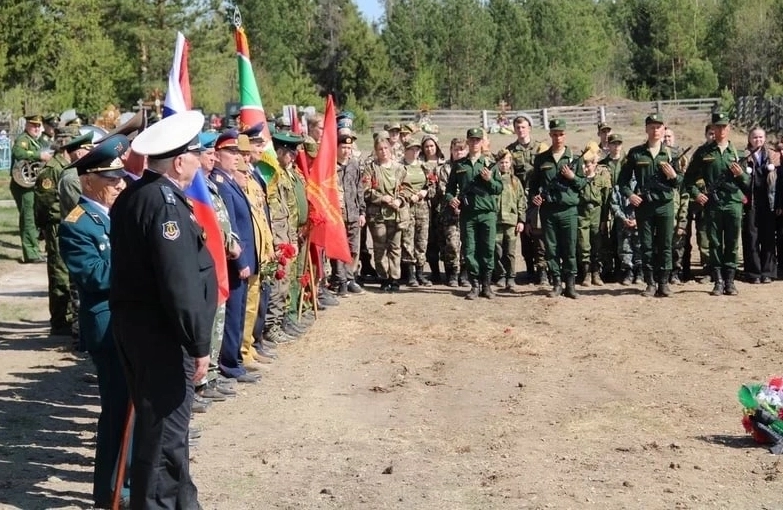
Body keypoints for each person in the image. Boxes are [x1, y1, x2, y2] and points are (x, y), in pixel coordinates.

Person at [110, 111, 217, 509]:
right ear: (178, 161)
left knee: (167, 434)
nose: (199, 158)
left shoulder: (136, 195)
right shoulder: (164, 203)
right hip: (163, 337)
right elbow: (180, 283)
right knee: (165, 437)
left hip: (142, 332)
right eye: (194, 152)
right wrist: (198, 342)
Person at [59, 134, 131, 509]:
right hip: (107, 328)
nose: (120, 184)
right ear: (88, 181)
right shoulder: (76, 224)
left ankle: (130, 482)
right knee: (116, 411)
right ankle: (109, 494)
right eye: (111, 179)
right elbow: (94, 277)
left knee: (135, 409)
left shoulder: (118, 213)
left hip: (134, 325)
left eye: (121, 178)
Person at [209, 130, 259, 382]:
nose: (236, 157)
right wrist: (240, 261)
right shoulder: (221, 185)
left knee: (239, 312)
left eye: (237, 153)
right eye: (230, 153)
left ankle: (235, 359)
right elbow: (231, 229)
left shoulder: (229, 181)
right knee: (232, 314)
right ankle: (230, 363)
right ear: (217, 156)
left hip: (244, 258)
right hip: (234, 262)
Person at [34, 130, 92, 336]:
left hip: (68, 222)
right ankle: (60, 321)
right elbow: (43, 202)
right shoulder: (53, 169)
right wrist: (43, 227)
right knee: (59, 272)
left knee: (68, 272)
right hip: (57, 224)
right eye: (85, 148)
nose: (88, 152)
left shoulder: (69, 168)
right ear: (73, 149)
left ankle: (69, 315)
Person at [685, 112, 750, 296]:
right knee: (714, 242)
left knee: (732, 242)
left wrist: (740, 175)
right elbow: (688, 179)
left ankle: (730, 280)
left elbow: (747, 182)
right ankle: (718, 280)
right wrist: (697, 195)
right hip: (713, 204)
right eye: (717, 126)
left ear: (729, 128)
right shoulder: (703, 152)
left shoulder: (736, 153)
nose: (721, 130)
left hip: (733, 203)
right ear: (712, 129)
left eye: (724, 126)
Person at [618, 114, 681, 298]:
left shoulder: (671, 153)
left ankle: (664, 282)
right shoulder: (636, 153)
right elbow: (622, 181)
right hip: (644, 206)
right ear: (646, 129)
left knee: (665, 245)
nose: (655, 130)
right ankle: (650, 282)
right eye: (652, 127)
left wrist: (673, 177)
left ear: (663, 129)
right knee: (646, 245)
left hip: (665, 205)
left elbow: (681, 181)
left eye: (659, 127)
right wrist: (630, 195)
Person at [529, 119, 586, 299]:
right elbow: (533, 185)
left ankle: (570, 285)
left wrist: (572, 177)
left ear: (565, 135)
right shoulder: (541, 159)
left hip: (568, 210)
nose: (558, 137)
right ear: (550, 135)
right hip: (548, 210)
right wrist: (535, 197)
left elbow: (583, 184)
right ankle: (556, 283)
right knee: (551, 249)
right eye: (554, 134)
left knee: (569, 247)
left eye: (561, 134)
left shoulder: (574, 158)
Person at [445, 128, 503, 299]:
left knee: (487, 248)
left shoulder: (490, 163)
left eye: (478, 140)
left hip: (487, 213)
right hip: (468, 213)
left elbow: (499, 188)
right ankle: (474, 285)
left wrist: (489, 179)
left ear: (482, 142)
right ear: (468, 142)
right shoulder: (459, 165)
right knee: (469, 249)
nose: (475, 143)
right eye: (472, 140)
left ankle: (486, 285)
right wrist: (451, 199)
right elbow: (449, 189)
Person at [363, 134, 410, 291]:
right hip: (378, 215)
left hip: (396, 214)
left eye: (385, 148)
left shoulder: (399, 169)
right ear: (376, 151)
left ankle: (394, 278)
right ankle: (383, 277)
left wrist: (399, 200)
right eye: (380, 149)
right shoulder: (371, 168)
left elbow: (407, 189)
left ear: (390, 150)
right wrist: (382, 198)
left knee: (395, 247)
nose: (383, 152)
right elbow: (366, 190)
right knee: (380, 247)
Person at [11, 114, 51, 263]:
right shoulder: (23, 139)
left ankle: (34, 250)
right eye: (33, 125)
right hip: (22, 185)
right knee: (28, 218)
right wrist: (38, 155)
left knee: (33, 218)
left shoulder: (34, 141)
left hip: (31, 184)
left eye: (38, 125)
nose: (36, 128)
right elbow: (18, 153)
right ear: (27, 125)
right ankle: (31, 254)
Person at [331, 133, 366, 296]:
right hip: (337, 215)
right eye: (343, 147)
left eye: (349, 148)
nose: (346, 151)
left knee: (353, 248)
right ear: (337, 147)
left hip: (353, 213)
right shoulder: (331, 166)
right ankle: (341, 280)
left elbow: (359, 188)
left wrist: (362, 212)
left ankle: (351, 278)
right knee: (339, 249)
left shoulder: (354, 164)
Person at [506, 115, 539, 283]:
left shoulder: (540, 148)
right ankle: (530, 269)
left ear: (530, 128)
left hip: (537, 197)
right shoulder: (510, 150)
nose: (521, 130)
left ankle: (542, 269)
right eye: (518, 128)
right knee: (524, 235)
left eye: (524, 127)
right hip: (520, 197)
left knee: (539, 233)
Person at [743, 127, 777, 284]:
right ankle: (753, 272)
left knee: (768, 236)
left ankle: (767, 272)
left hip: (768, 201)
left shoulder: (772, 155)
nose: (758, 140)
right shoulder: (744, 156)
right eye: (755, 137)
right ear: (749, 139)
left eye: (761, 137)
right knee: (751, 236)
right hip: (751, 201)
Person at [400, 139, 434, 287]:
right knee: (407, 240)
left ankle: (420, 273)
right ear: (405, 150)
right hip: (406, 207)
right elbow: (396, 187)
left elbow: (432, 185)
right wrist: (408, 196)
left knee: (422, 240)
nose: (415, 152)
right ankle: (410, 274)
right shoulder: (400, 167)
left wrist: (424, 192)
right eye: (411, 149)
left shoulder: (424, 167)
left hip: (422, 208)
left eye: (417, 149)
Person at [576, 148, 612, 287]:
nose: (586, 167)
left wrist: (604, 220)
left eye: (589, 164)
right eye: (584, 164)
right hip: (582, 213)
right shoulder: (578, 180)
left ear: (594, 164)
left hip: (597, 213)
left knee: (597, 244)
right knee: (584, 244)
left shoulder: (601, 178)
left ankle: (596, 272)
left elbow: (606, 200)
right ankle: (586, 274)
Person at [493, 149, 526, 291]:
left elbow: (521, 201)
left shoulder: (515, 181)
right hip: (496, 221)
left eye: (506, 162)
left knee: (510, 252)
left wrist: (521, 220)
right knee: (496, 250)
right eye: (501, 162)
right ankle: (501, 275)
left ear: (510, 163)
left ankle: (511, 277)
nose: (504, 165)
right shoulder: (493, 180)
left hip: (511, 221)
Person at [420, 134, 447, 283]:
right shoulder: (419, 164)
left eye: (432, 145)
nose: (429, 149)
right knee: (430, 241)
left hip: (442, 206)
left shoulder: (444, 163)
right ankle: (435, 272)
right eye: (426, 146)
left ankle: (450, 272)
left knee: (444, 239)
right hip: (425, 206)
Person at [599, 133, 624, 281]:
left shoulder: (626, 162)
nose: (616, 147)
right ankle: (608, 268)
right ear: (608, 146)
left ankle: (621, 267)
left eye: (618, 144)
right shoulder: (603, 164)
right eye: (613, 144)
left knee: (621, 235)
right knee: (606, 236)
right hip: (606, 202)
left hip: (622, 202)